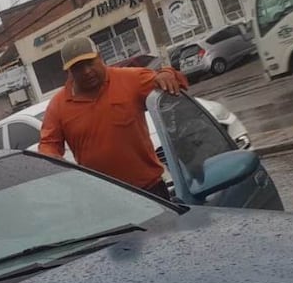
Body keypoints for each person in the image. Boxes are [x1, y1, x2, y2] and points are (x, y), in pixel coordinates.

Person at [38, 36, 189, 200]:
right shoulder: (58, 105)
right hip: (105, 202)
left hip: (150, 191)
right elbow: (48, 145)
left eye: (90, 62)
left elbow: (176, 83)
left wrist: (167, 73)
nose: (87, 71)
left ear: (100, 57)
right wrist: (51, 158)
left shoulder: (131, 80)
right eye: (78, 68)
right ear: (69, 72)